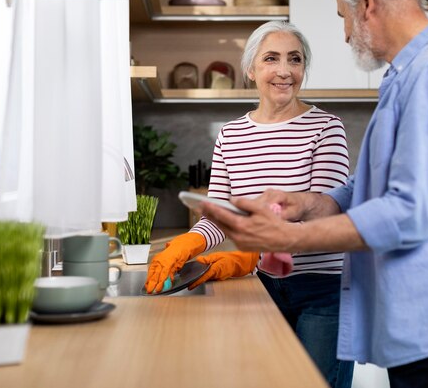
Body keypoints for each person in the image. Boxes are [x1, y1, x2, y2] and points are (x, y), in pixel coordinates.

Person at [199, 0, 428, 388]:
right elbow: (376, 180)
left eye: (343, 17)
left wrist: (290, 238)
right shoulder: (408, 75)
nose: (343, 35)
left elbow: (407, 212)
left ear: (367, 2)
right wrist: (314, 204)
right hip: (418, 318)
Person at [145, 21, 355, 388]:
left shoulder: (326, 127)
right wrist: (189, 242)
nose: (284, 71)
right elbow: (218, 217)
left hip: (323, 289)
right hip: (265, 286)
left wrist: (257, 249)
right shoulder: (231, 135)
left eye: (295, 59)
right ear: (250, 69)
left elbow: (328, 212)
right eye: (271, 58)